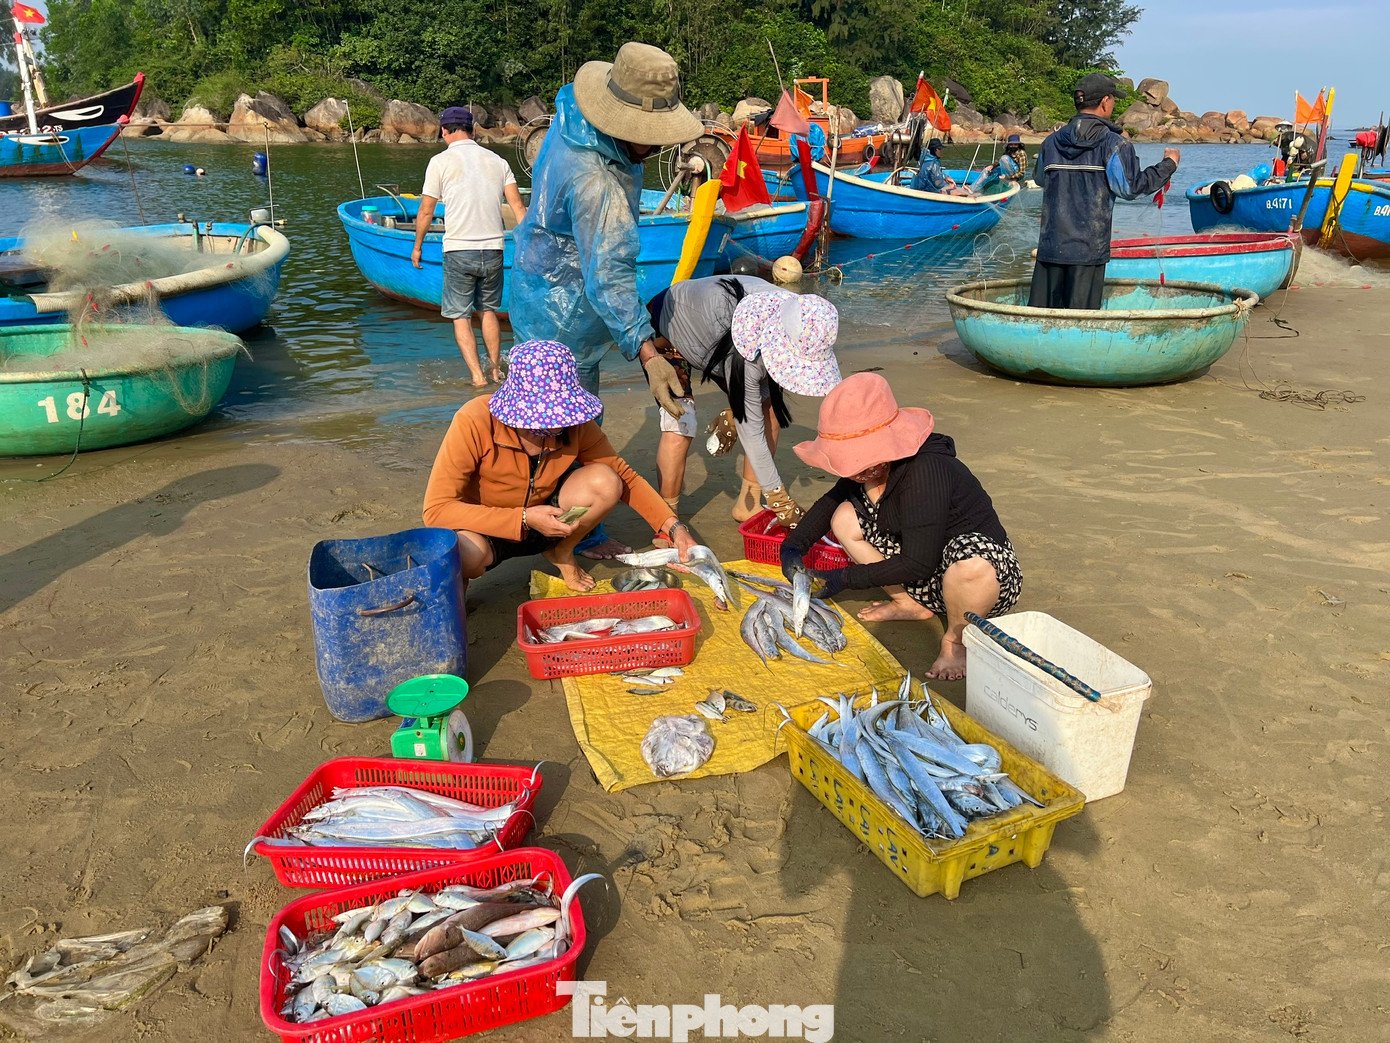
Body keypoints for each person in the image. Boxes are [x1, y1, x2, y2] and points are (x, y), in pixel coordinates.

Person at [510, 42, 702, 559]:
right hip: (565, 311)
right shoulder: (597, 181)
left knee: (550, 417)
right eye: (648, 137)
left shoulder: (573, 114)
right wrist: (647, 352)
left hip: (535, 288)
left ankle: (552, 517)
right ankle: (570, 534)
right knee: (562, 427)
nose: (655, 146)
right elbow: (608, 277)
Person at [779, 373, 1022, 681]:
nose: (854, 470)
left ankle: (956, 641)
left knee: (971, 565)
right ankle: (908, 603)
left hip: (979, 582)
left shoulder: (925, 469)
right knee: (843, 516)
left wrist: (845, 578)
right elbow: (830, 504)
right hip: (923, 575)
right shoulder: (871, 470)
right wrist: (793, 546)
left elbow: (919, 563)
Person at [422, 339, 695, 592]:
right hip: (489, 527)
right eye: (545, 416)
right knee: (464, 554)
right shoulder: (474, 420)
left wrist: (674, 528)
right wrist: (524, 518)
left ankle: (562, 552)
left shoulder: (575, 424)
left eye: (562, 413)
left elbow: (626, 477)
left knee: (606, 480)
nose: (557, 424)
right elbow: (436, 510)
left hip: (552, 521)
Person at [644, 278, 842, 528]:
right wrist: (779, 499)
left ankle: (748, 504)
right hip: (668, 327)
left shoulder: (804, 319)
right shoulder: (751, 346)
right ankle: (666, 522)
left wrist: (737, 412)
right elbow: (752, 431)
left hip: (719, 336)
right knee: (681, 422)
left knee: (770, 412)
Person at [1030, 73, 1179, 310]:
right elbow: (1131, 188)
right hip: (1088, 252)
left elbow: (1040, 179)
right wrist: (1169, 165)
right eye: (1113, 99)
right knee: (1081, 322)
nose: (1113, 103)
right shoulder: (1114, 144)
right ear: (1104, 102)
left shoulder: (1050, 143)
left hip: (1050, 248)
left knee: (1042, 319)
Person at [411, 107, 527, 386]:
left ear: (444, 132)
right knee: (488, 311)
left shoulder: (439, 162)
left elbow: (426, 211)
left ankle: (477, 377)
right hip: (494, 249)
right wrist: (528, 245)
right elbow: (518, 207)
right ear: (473, 131)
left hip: (459, 250)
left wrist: (417, 247)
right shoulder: (498, 161)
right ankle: (495, 372)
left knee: (460, 316)